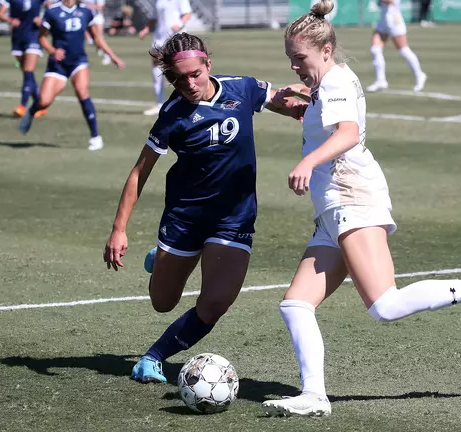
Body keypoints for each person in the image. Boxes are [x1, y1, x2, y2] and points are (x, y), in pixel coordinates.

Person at [260, 0, 461, 417]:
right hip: (334, 206)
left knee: (385, 305)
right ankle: (314, 396)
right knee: (296, 304)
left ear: (324, 50)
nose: (294, 66)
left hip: (351, 197)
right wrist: (289, 104)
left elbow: (348, 133)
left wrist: (307, 161)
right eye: (290, 59)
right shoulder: (330, 79)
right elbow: (323, 119)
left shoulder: (334, 82)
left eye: (298, 58)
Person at [101, 32, 307, 384]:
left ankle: (153, 357)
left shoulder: (241, 88)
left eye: (195, 73)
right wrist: (119, 229)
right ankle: (163, 258)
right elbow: (140, 171)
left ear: (208, 65)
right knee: (162, 302)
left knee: (214, 304)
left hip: (234, 217)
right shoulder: (172, 113)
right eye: (179, 79)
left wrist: (302, 105)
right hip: (186, 217)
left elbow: (281, 103)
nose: (189, 83)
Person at [18, 0, 125, 151]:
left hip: (78, 61)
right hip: (58, 64)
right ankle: (31, 112)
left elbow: (97, 37)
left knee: (82, 91)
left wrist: (113, 57)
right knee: (44, 101)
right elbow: (41, 37)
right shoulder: (52, 11)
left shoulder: (86, 11)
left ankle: (95, 137)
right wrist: (53, 51)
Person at [138, 0, 194, 116]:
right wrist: (146, 29)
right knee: (156, 67)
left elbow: (187, 14)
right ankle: (159, 104)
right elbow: (154, 17)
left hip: (176, 38)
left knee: (179, 70)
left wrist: (178, 24)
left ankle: (187, 101)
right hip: (159, 38)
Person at [0, 0, 47, 118]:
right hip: (18, 37)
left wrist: (43, 20)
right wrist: (10, 20)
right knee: (27, 74)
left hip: (34, 36)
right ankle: (40, 106)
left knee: (28, 71)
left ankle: (22, 106)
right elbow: (0, 15)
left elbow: (54, 8)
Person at [366, 0, 427, 93]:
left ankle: (419, 74)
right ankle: (381, 80)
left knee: (403, 50)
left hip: (394, 20)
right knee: (375, 49)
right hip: (384, 20)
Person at [82, 0, 112, 65]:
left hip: (97, 18)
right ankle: (100, 48)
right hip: (86, 17)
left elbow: (101, 6)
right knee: (94, 40)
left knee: (99, 38)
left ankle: (107, 55)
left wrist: (88, 7)